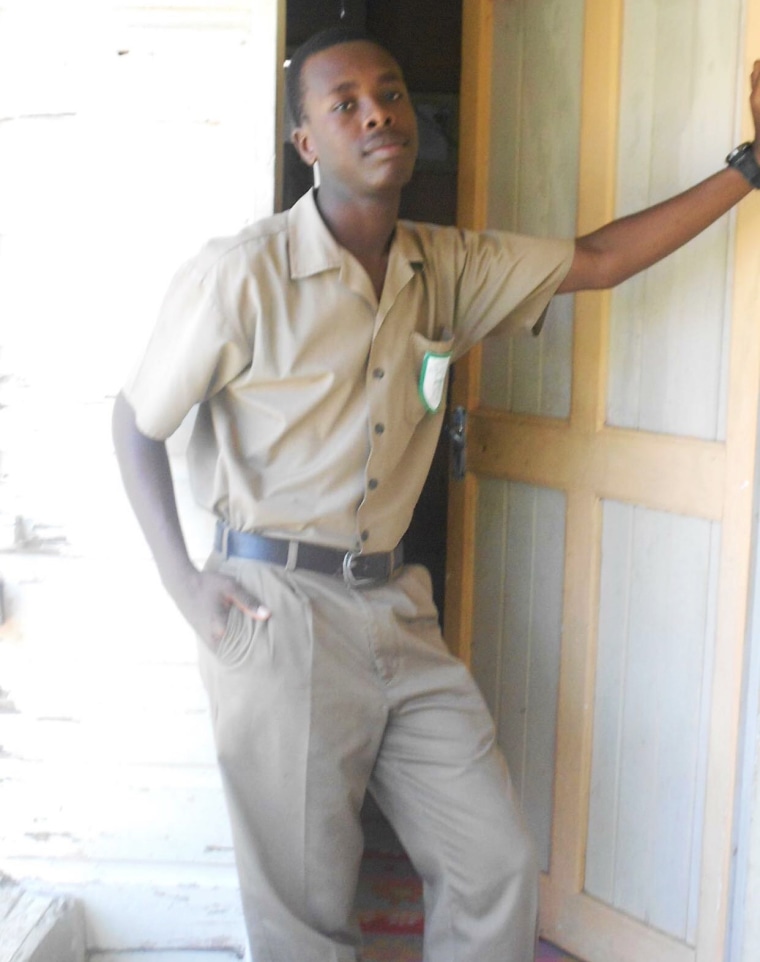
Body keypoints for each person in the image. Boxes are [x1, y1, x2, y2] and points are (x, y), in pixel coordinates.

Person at [112, 24, 760, 962]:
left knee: (492, 860)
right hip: (276, 611)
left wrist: (749, 166)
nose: (377, 113)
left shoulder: (441, 265)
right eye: (345, 104)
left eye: (391, 94)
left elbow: (599, 259)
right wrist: (185, 586)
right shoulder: (241, 275)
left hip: (395, 609)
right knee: (305, 910)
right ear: (307, 144)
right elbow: (135, 423)